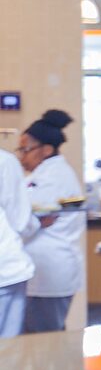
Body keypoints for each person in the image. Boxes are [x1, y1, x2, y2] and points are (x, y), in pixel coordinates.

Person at [17, 111, 85, 332]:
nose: (21, 157)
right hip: (42, 272)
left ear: (46, 150)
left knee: (46, 345)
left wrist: (26, 222)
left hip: (49, 272)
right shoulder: (41, 176)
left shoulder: (53, 178)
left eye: (25, 150)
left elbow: (22, 222)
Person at [0, 139, 32, 337]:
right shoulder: (5, 161)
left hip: (6, 271)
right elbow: (19, 220)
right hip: (5, 270)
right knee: (7, 353)